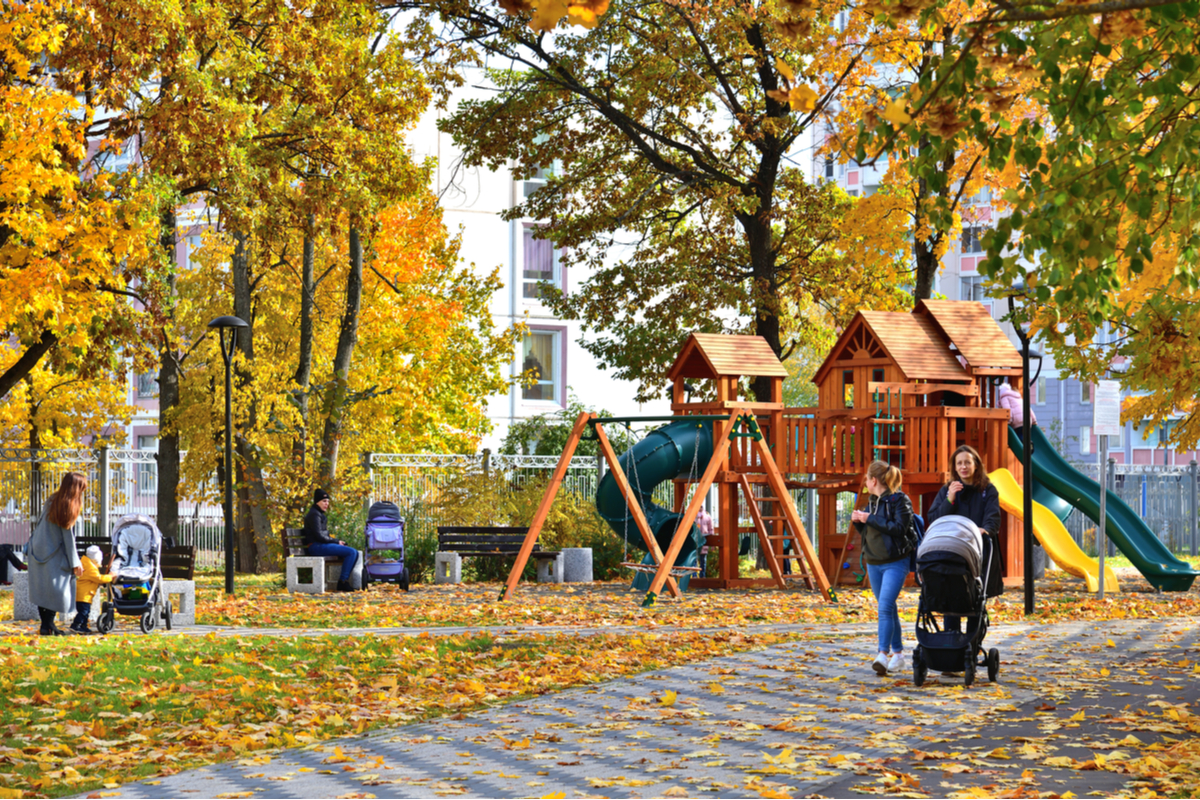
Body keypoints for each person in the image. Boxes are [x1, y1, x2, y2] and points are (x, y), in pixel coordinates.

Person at [925, 445, 1003, 631]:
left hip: (978, 552)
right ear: (954, 466)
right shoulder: (947, 490)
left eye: (967, 462)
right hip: (952, 554)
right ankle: (951, 639)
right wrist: (950, 498)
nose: (963, 467)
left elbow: (993, 518)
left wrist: (985, 530)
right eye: (959, 463)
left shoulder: (987, 490)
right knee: (951, 600)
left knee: (976, 601)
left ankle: (972, 642)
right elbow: (934, 519)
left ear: (976, 464)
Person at [850, 460, 916, 677]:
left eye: (866, 479)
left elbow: (899, 528)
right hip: (874, 563)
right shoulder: (872, 503)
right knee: (889, 607)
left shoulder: (900, 500)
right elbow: (871, 532)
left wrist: (869, 518)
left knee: (885, 607)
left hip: (895, 562)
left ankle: (882, 654)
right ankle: (898, 655)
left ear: (873, 480)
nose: (865, 483)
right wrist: (860, 521)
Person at [27, 472, 86, 636]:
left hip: (37, 548)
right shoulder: (68, 505)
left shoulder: (52, 499)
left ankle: (46, 626)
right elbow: (68, 538)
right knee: (57, 589)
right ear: (75, 488)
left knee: (42, 588)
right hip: (52, 552)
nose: (83, 492)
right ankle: (48, 625)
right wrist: (75, 562)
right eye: (82, 488)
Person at [302, 489, 358, 592]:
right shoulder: (314, 514)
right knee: (351, 552)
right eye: (324, 501)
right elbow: (319, 536)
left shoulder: (319, 514)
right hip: (316, 546)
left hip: (320, 545)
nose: (327, 504)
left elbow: (323, 535)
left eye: (328, 501)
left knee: (353, 552)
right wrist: (336, 542)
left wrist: (337, 542)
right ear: (317, 502)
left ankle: (343, 581)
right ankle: (342, 582)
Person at [71, 546, 113, 634]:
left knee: (85, 611)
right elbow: (99, 578)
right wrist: (111, 576)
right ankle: (76, 625)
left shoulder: (85, 563)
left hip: (82, 594)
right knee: (83, 612)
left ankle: (83, 626)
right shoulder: (90, 568)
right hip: (84, 595)